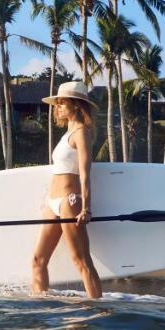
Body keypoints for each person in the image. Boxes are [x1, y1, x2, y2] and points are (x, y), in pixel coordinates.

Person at [31, 81, 103, 299]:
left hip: (69, 201)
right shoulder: (68, 133)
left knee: (81, 261)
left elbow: (85, 172)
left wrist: (86, 208)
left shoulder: (82, 132)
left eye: (62, 103)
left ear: (76, 105)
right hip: (53, 202)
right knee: (38, 260)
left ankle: (97, 309)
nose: (58, 107)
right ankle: (41, 307)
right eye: (57, 103)